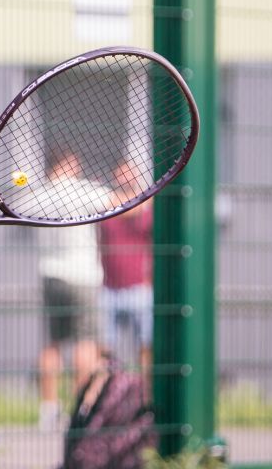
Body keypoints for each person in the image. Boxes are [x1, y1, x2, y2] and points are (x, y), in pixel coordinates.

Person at [36, 148, 105, 431]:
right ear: (68, 164)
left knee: (52, 343)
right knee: (85, 343)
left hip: (51, 276)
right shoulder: (83, 190)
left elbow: (19, 192)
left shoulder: (38, 194)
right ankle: (81, 409)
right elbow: (125, 203)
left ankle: (49, 410)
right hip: (82, 276)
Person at [98, 158, 154, 391]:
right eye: (120, 174)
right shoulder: (107, 205)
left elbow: (140, 208)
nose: (124, 178)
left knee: (145, 347)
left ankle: (146, 396)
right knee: (103, 350)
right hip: (109, 289)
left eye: (129, 174)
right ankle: (103, 398)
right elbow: (119, 206)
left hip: (140, 289)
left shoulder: (147, 209)